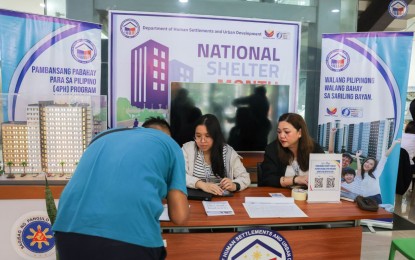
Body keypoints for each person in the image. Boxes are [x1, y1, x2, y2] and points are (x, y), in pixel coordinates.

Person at [52, 117, 189, 260]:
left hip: (67, 230)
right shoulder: (170, 144)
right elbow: (180, 217)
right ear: (167, 135)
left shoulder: (102, 137)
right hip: (130, 238)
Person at [182, 114, 251, 196]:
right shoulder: (187, 149)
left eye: (207, 136)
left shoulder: (228, 152)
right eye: (198, 136)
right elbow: (180, 175)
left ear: (215, 136)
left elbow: (245, 177)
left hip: (221, 198)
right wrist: (202, 185)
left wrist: (234, 185)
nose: (202, 141)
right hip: (195, 199)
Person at [261, 113, 324, 188]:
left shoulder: (315, 149)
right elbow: (267, 179)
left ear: (300, 133)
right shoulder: (272, 149)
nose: (281, 136)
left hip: (308, 196)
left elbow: (323, 175)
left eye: (286, 132)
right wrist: (295, 179)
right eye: (279, 132)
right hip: (284, 196)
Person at [356, 140, 400, 204]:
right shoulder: (359, 174)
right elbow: (359, 168)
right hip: (363, 199)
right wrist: (357, 157)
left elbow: (384, 157)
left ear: (373, 167)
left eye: (371, 164)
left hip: (375, 199)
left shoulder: (375, 173)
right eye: (367, 162)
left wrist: (394, 144)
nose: (368, 164)